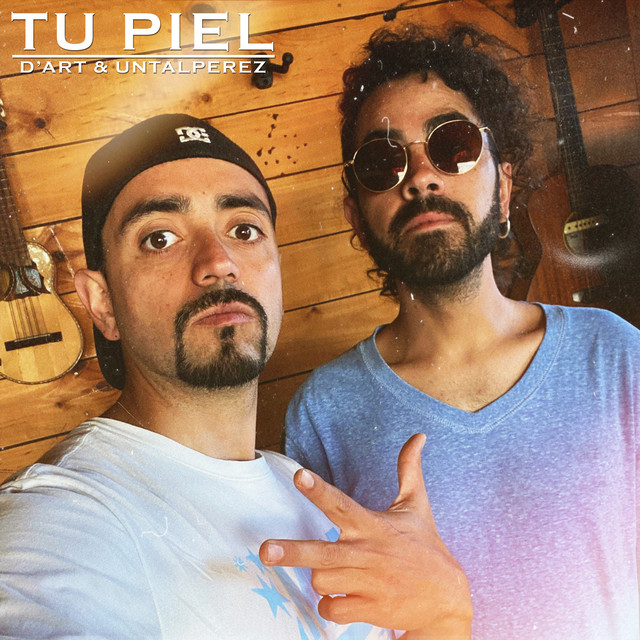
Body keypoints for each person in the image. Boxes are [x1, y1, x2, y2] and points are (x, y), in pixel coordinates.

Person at [0, 114, 470, 639]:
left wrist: (444, 617)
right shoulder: (56, 522)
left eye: (244, 230)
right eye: (159, 238)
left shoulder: (302, 491)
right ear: (103, 303)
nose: (219, 261)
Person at [280, 24, 640, 640]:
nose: (421, 177)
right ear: (355, 215)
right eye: (383, 161)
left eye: (452, 145)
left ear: (503, 187)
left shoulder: (612, 355)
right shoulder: (324, 413)